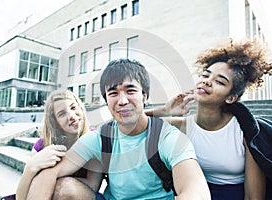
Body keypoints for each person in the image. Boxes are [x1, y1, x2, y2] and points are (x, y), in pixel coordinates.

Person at [26, 58, 211, 200]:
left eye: (130, 91)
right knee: (63, 187)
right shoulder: (100, 138)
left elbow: (197, 191)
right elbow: (50, 173)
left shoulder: (167, 137)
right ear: (107, 102)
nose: (122, 101)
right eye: (113, 93)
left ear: (144, 96)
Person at [147, 38, 271, 200]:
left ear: (231, 98)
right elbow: (129, 123)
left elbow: (253, 197)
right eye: (205, 75)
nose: (207, 81)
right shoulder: (181, 126)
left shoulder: (245, 131)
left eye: (219, 81)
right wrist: (164, 110)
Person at [16, 89, 104, 200]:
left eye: (73, 108)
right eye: (62, 114)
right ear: (55, 122)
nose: (71, 116)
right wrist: (30, 167)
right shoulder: (43, 145)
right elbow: (21, 197)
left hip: (87, 195)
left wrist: (52, 181)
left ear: (81, 108)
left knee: (63, 187)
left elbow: (93, 185)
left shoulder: (94, 139)